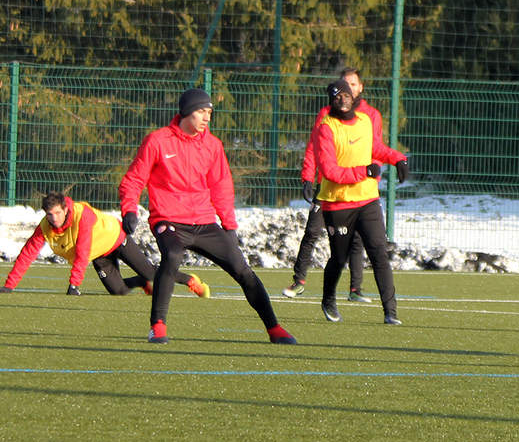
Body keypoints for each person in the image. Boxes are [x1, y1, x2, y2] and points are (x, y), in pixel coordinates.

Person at [118, 88, 297, 345]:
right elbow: (134, 180)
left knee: (242, 269)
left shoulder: (213, 145)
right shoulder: (158, 141)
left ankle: (275, 328)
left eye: (210, 113)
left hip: (204, 222)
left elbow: (221, 186)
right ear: (187, 111)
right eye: (202, 111)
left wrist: (229, 225)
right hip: (169, 221)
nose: (207, 118)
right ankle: (157, 326)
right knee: (173, 256)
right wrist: (130, 210)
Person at [313, 78, 409, 325]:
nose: (341, 99)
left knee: (379, 253)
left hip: (367, 200)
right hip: (338, 204)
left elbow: (375, 148)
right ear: (330, 101)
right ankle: (328, 299)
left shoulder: (366, 121)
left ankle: (391, 312)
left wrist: (397, 158)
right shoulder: (327, 128)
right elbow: (329, 170)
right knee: (339, 258)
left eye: (345, 95)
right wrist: (363, 172)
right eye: (336, 97)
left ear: (353, 96)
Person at [0, 191, 210, 297]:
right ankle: (141, 283)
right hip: (99, 253)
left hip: (116, 239)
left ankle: (191, 280)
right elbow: (27, 253)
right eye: (49, 214)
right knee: (118, 291)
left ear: (65, 209)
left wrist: (74, 285)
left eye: (57, 213)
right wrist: (9, 286)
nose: (53, 218)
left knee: (151, 272)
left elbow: (82, 252)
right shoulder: (45, 226)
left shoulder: (83, 216)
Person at [283, 67, 377, 303]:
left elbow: (375, 149)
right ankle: (299, 281)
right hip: (329, 188)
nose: (348, 90)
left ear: (360, 88)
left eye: (353, 85)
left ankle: (355, 289)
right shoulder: (326, 115)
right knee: (313, 230)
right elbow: (314, 146)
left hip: (358, 188)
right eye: (344, 85)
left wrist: (371, 180)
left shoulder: (370, 116)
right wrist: (308, 176)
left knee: (356, 237)